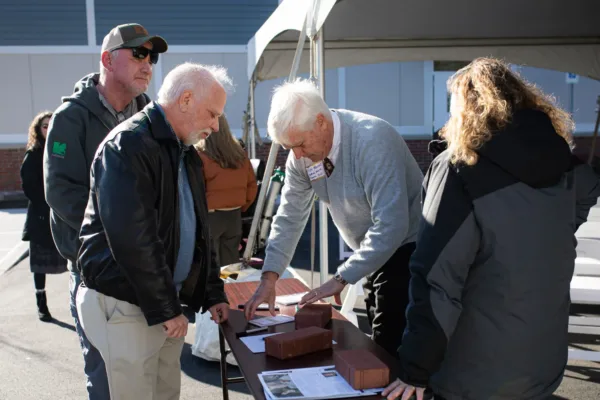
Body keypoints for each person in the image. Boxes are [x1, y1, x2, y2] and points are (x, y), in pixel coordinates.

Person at [382, 58, 600, 400]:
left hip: (472, 372)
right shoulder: (561, 161)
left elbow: (436, 278)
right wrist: (554, 232)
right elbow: (588, 188)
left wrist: (415, 369)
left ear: (465, 108)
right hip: (541, 362)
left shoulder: (460, 165)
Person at [76, 62, 232, 400]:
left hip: (163, 306)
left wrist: (212, 292)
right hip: (129, 305)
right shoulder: (128, 145)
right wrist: (166, 308)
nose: (215, 125)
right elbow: (133, 240)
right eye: (212, 114)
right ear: (186, 99)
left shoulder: (184, 152)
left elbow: (198, 230)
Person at [244, 79, 424, 357]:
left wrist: (341, 277)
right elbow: (290, 215)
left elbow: (392, 225)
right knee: (378, 340)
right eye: (289, 147)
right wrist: (269, 278)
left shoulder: (372, 141)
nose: (297, 155)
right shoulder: (301, 154)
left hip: (407, 249)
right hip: (370, 250)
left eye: (300, 144)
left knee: (391, 344)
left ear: (321, 122)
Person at [43, 23, 167, 400]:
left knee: (145, 368)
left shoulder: (148, 115)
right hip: (94, 268)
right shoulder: (71, 117)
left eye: (153, 56)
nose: (148, 64)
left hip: (141, 265)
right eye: (138, 54)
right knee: (107, 376)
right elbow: (60, 191)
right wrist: (119, 232)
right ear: (107, 60)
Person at [20, 111, 68, 322]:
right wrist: (45, 204)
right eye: (45, 126)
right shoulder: (34, 153)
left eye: (52, 125)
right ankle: (42, 306)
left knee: (71, 260)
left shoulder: (59, 148)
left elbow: (67, 172)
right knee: (40, 265)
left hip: (60, 212)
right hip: (41, 215)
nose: (49, 129)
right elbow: (29, 186)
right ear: (38, 130)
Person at [196, 115, 258, 267]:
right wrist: (242, 207)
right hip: (234, 215)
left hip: (210, 216)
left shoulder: (200, 154)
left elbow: (196, 189)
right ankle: (230, 290)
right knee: (230, 264)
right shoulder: (240, 154)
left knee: (210, 266)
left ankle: (213, 291)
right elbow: (252, 185)